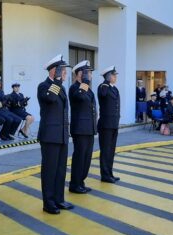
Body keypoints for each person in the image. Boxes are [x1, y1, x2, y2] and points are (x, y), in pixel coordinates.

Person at [37, 54, 74, 214]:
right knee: (50, 170)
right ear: (54, 71)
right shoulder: (43, 86)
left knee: (60, 170)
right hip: (50, 136)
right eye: (63, 71)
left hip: (62, 135)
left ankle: (59, 199)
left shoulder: (62, 88)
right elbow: (51, 99)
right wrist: (57, 81)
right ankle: (48, 202)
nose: (65, 74)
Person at [69, 60, 97, 194]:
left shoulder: (87, 88)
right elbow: (79, 97)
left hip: (89, 128)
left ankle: (81, 182)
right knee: (79, 157)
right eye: (88, 73)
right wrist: (85, 82)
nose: (90, 75)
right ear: (80, 74)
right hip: (80, 129)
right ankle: (74, 184)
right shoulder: (75, 87)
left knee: (87, 157)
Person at [97, 66, 121, 184]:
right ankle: (105, 175)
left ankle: (109, 173)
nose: (115, 77)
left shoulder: (115, 89)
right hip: (105, 125)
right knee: (105, 150)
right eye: (114, 75)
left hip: (113, 124)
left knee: (111, 151)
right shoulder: (103, 87)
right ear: (108, 76)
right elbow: (102, 95)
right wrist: (105, 81)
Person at [0, 75, 22, 140]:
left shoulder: (1, 91)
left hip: (3, 109)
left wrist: (5, 102)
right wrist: (3, 102)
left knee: (18, 119)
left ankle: (10, 134)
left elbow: (3, 101)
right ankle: (2, 135)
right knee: (9, 119)